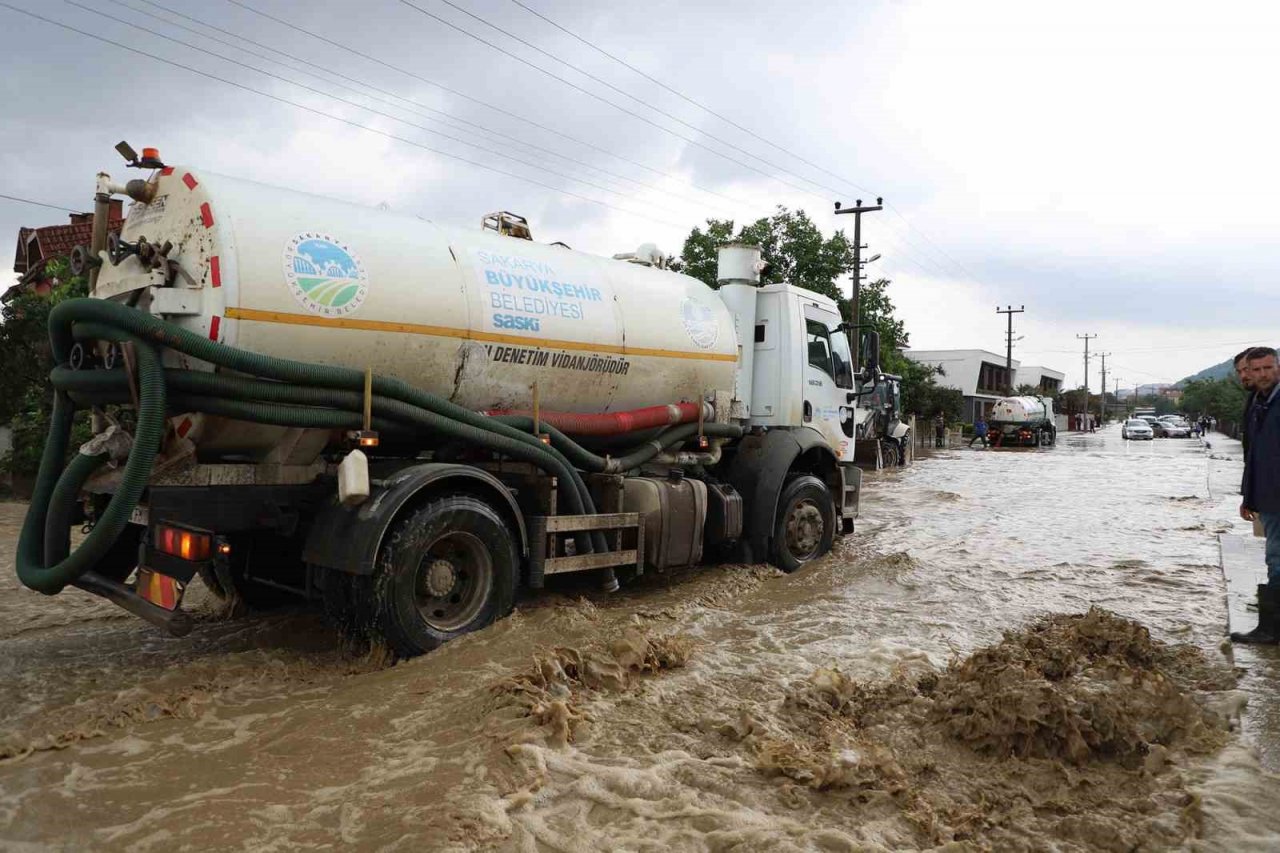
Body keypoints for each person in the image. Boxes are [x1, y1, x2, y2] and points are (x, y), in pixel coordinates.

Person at [1231, 347, 1280, 645]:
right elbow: (1254, 455)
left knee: (1276, 558)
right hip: (1268, 496)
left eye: (1267, 368)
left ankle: (1270, 630)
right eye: (1255, 370)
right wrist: (1248, 496)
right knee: (1275, 557)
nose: (1260, 375)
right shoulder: (1260, 402)